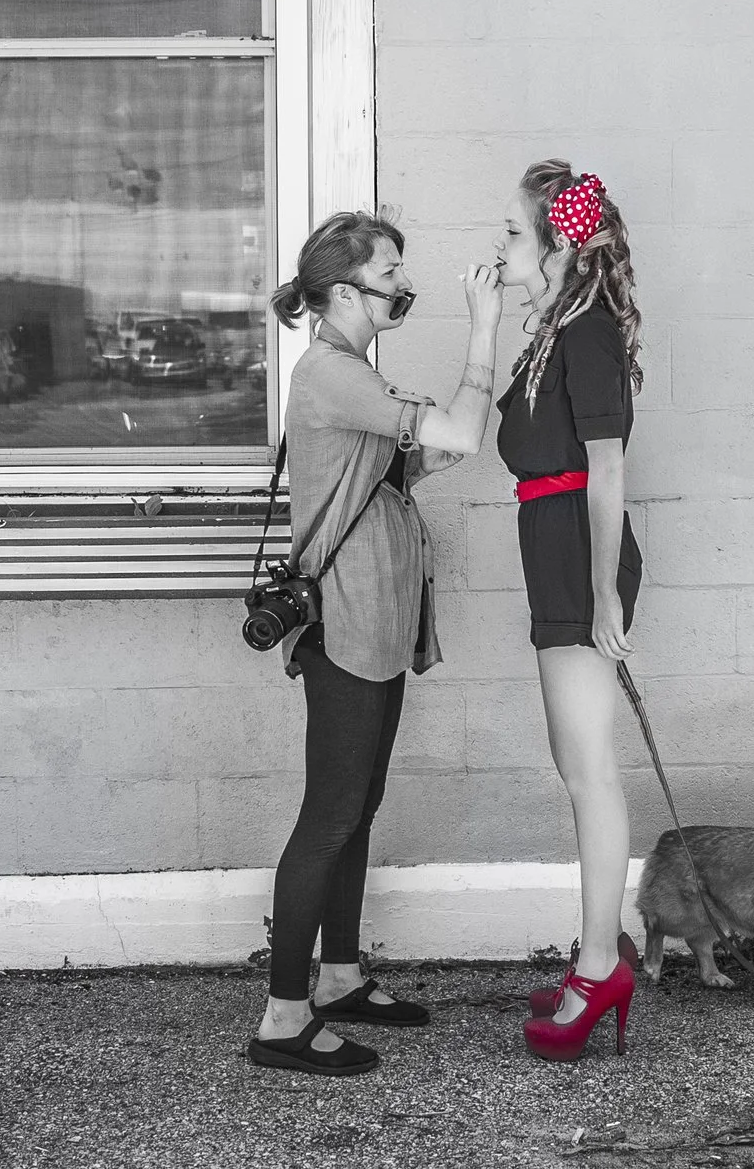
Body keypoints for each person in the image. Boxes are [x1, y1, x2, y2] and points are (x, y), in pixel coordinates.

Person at [245, 211, 504, 1077]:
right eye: (391, 268)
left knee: (357, 807)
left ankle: (341, 973)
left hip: (380, 624)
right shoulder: (329, 372)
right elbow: (463, 431)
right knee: (328, 816)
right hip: (348, 627)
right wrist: (485, 331)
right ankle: (284, 1017)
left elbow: (415, 460)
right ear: (347, 288)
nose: (403, 281)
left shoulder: (355, 372)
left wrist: (424, 449)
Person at [494, 163, 647, 1061]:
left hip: (579, 562)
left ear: (557, 242)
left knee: (591, 769)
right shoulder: (555, 329)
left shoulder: (586, 330)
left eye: (512, 232)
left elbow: (610, 469)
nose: (500, 247)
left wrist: (600, 595)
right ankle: (597, 953)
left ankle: (598, 965)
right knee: (574, 762)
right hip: (552, 552)